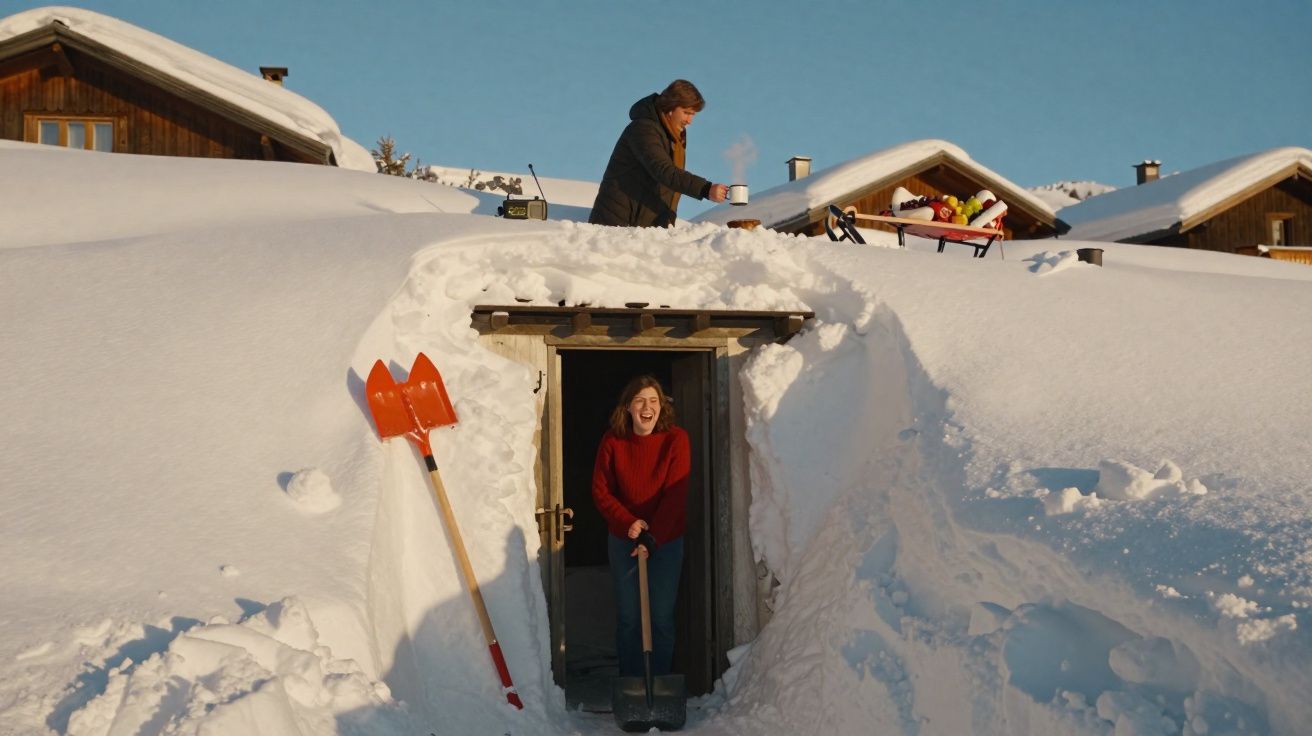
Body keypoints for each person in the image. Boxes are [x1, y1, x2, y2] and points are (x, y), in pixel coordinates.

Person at [591, 375, 691, 677]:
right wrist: (628, 523)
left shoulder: (676, 439)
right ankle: (632, 684)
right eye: (640, 401)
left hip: (666, 539)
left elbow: (676, 494)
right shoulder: (613, 441)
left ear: (661, 407)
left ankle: (660, 685)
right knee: (629, 617)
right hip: (624, 539)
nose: (647, 407)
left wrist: (652, 537)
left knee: (660, 616)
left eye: (653, 401)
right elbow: (600, 490)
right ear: (628, 408)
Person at [589, 79, 729, 228]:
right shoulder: (643, 129)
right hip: (618, 225)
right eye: (686, 113)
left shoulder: (673, 137)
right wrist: (705, 189)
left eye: (693, 114)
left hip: (642, 226)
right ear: (670, 107)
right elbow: (664, 170)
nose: (690, 121)